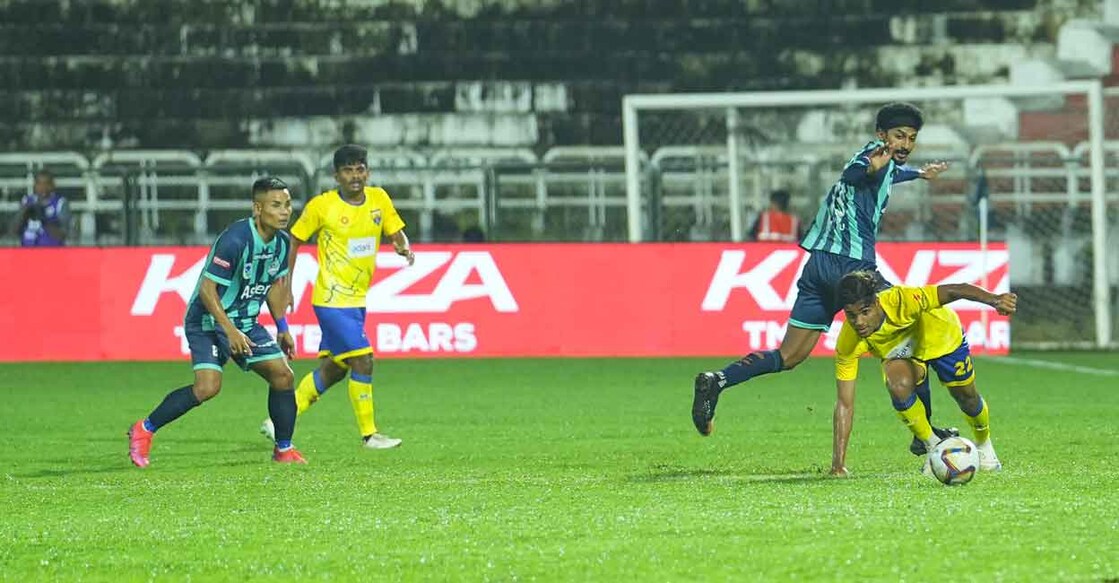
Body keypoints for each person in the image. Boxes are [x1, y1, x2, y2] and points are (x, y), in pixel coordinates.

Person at [692, 102, 955, 455]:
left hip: (818, 267)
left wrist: (919, 174)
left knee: (789, 356)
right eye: (898, 136)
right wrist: (871, 166)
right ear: (881, 135)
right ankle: (924, 435)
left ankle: (718, 380)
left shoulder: (887, 163)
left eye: (911, 138)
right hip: (853, 268)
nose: (905, 144)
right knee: (912, 334)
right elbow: (856, 173)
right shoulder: (872, 157)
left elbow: (887, 173)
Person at [127, 177, 305, 467]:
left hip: (244, 321)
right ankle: (143, 430)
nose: (284, 211)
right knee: (207, 387)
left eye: (287, 204)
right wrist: (229, 330)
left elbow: (273, 286)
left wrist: (282, 327)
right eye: (276, 205)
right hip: (208, 319)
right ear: (258, 208)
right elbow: (207, 291)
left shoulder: (283, 244)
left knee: (283, 376)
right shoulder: (235, 240)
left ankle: (283, 450)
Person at [260, 144, 415, 449]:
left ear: (367, 172)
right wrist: (286, 285)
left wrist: (402, 245)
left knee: (333, 370)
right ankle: (370, 435)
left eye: (360, 169)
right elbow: (294, 240)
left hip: (357, 301)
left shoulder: (379, 199)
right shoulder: (322, 206)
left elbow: (394, 230)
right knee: (363, 360)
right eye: (348, 171)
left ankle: (277, 421)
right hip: (331, 300)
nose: (355, 176)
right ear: (337, 176)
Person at [829, 271, 1017, 477]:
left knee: (967, 399)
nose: (859, 322)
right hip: (907, 356)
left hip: (943, 339)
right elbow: (844, 403)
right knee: (897, 384)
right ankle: (934, 447)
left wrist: (995, 299)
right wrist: (838, 465)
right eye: (851, 315)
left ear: (876, 303)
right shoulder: (848, 342)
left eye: (865, 312)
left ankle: (984, 444)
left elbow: (955, 290)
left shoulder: (902, 300)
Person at [10, 169, 70, 246]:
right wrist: (23, 214)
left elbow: (64, 235)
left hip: (51, 250)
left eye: (46, 183)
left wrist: (44, 220)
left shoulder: (60, 203)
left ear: (52, 185)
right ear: (35, 185)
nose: (43, 187)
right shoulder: (26, 201)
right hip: (27, 250)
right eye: (39, 183)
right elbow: (13, 231)